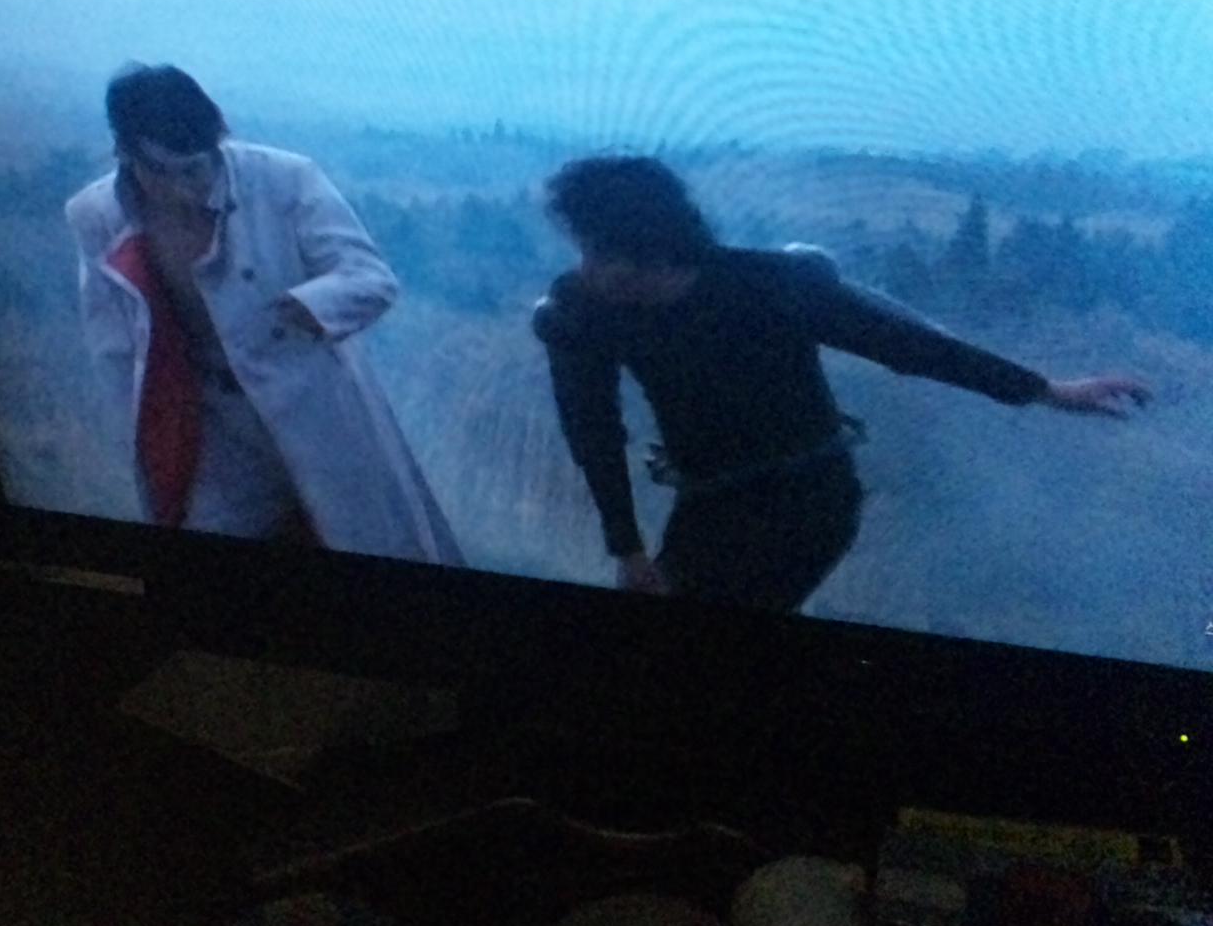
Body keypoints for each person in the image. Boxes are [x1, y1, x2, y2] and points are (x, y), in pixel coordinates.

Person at [532, 155, 1151, 609]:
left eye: (598, 251)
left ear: (649, 245)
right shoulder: (584, 311)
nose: (586, 269)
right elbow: (593, 431)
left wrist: (1047, 390)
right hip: (710, 500)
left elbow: (908, 346)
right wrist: (627, 549)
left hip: (813, 500)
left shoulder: (770, 286)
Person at [65, 64, 461, 564]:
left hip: (314, 407)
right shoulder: (97, 216)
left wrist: (312, 303)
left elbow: (370, 277)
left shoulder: (284, 180)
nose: (187, 187)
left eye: (197, 167)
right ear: (127, 154)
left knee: (360, 544)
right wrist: (143, 422)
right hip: (206, 424)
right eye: (168, 172)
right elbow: (112, 340)